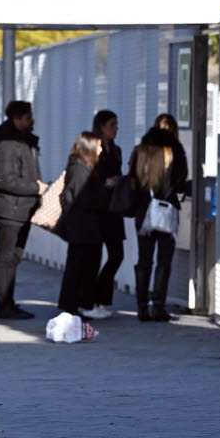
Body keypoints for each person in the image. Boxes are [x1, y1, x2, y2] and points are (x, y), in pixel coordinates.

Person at [0, 100, 48, 320]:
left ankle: (8, 302)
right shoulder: (8, 144)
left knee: (14, 257)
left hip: (23, 208)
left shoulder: (25, 142)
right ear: (16, 119)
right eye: (27, 118)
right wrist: (36, 187)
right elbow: (6, 180)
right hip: (11, 209)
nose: (31, 121)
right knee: (6, 257)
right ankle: (3, 305)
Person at [132, 114, 189, 322]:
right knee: (163, 261)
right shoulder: (176, 150)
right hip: (167, 211)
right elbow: (181, 182)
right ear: (173, 130)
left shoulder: (141, 150)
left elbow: (133, 180)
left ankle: (141, 308)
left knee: (144, 260)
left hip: (144, 211)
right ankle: (158, 306)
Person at [55, 132, 105, 317]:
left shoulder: (83, 167)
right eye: (98, 146)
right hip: (82, 226)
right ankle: (71, 305)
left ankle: (76, 303)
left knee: (82, 265)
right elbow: (79, 197)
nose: (101, 150)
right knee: (78, 266)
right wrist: (102, 194)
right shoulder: (80, 169)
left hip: (84, 226)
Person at [91, 110, 124, 319]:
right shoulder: (94, 149)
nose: (116, 129)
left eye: (116, 124)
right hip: (97, 209)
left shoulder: (116, 150)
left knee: (116, 255)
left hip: (113, 209)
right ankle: (93, 300)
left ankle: (101, 298)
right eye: (112, 124)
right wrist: (105, 183)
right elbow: (90, 176)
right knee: (94, 257)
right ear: (101, 126)